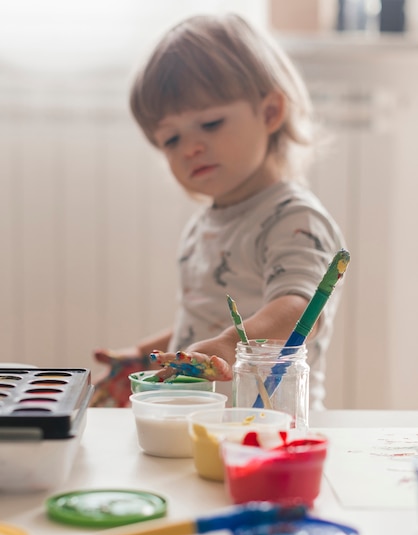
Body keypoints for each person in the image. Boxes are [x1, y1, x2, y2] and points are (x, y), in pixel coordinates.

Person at [91, 12, 345, 409]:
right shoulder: (204, 226)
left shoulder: (293, 218)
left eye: (209, 123)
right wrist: (149, 356)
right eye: (171, 139)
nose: (190, 147)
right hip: (205, 419)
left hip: (268, 426)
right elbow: (203, 322)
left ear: (270, 113)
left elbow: (299, 307)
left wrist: (230, 345)